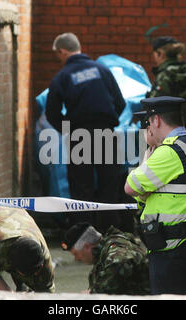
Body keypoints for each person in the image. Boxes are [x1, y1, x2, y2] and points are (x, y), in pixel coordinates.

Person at [124, 96, 186, 295]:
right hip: (184, 243)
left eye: (147, 124)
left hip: (174, 247)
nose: (147, 131)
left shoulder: (171, 151)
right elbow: (144, 195)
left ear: (156, 120)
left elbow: (131, 187)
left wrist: (148, 154)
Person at [45, 32, 126, 232]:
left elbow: (52, 113)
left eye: (58, 55)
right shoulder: (102, 70)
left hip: (79, 137)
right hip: (106, 134)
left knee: (81, 190)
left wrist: (68, 131)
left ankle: (84, 239)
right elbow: (120, 103)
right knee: (110, 187)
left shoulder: (62, 77)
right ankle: (111, 237)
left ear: (63, 51)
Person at [0, 205, 55, 292]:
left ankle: (23, 289)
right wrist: (9, 294)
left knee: (36, 283)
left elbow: (47, 291)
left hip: (18, 217)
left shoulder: (45, 259)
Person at [61, 222, 150, 295]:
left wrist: (93, 294)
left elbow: (121, 262)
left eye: (76, 254)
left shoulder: (116, 249)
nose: (76, 259)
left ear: (87, 247)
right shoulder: (103, 254)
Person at [146, 36, 186, 133]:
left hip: (165, 133)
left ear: (161, 54)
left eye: (155, 54)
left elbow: (153, 106)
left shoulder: (164, 76)